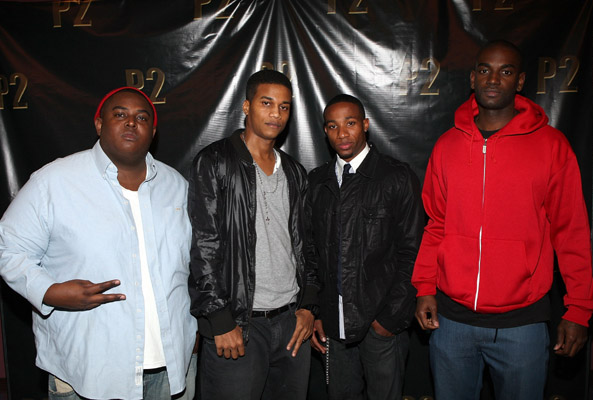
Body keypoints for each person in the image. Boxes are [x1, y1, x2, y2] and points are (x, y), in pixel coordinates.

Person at [412, 40, 593, 400]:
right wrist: (424, 288)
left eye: (506, 71)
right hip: (452, 322)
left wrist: (578, 310)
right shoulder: (447, 145)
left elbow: (571, 232)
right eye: (485, 69)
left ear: (520, 80)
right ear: (473, 77)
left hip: (522, 325)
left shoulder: (551, 146)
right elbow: (435, 224)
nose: (493, 79)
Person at [0, 87, 197, 399]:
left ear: (153, 131)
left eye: (142, 117)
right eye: (120, 115)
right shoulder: (54, 182)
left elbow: (195, 265)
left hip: (170, 369)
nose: (131, 123)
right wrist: (49, 291)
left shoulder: (177, 186)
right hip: (88, 371)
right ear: (99, 124)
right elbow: (7, 249)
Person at [188, 69, 319, 400]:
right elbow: (204, 246)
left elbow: (307, 246)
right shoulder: (215, 162)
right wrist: (220, 320)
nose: (276, 113)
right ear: (246, 106)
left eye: (285, 106)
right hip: (238, 325)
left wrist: (308, 306)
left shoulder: (294, 172)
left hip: (291, 322)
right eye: (267, 103)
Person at [308, 94, 423, 400]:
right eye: (332, 126)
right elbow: (311, 255)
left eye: (350, 123)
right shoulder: (317, 182)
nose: (341, 133)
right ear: (325, 132)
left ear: (366, 125)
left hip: (382, 326)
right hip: (334, 326)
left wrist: (388, 319)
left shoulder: (396, 177)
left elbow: (414, 251)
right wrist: (316, 311)